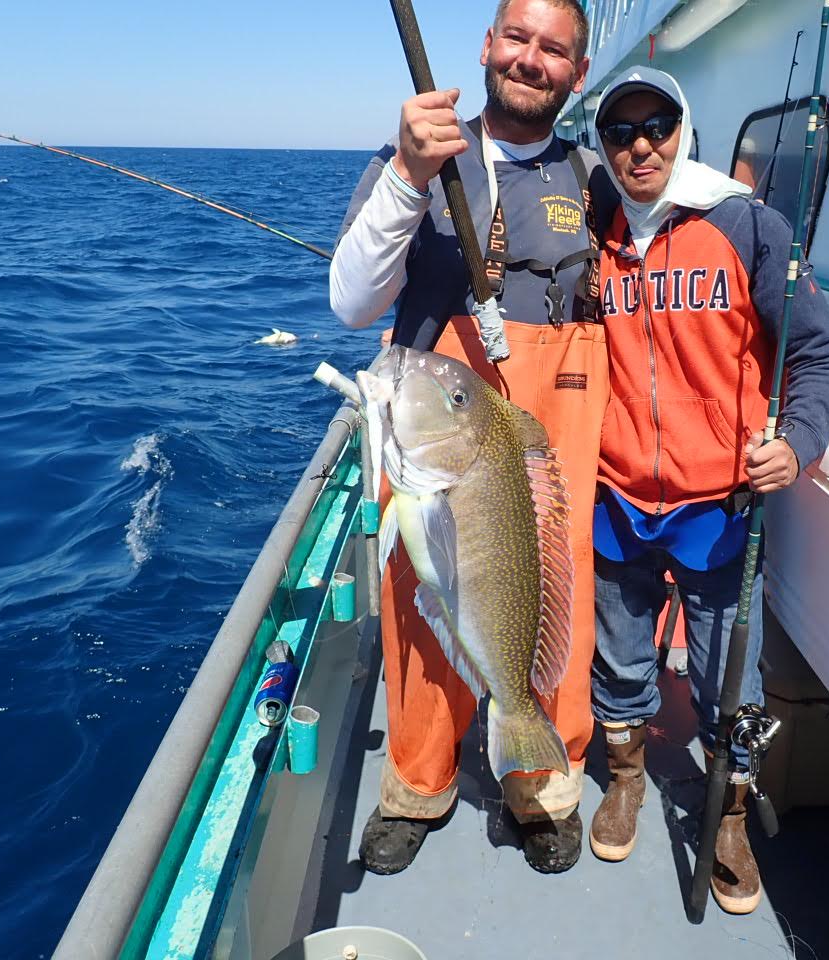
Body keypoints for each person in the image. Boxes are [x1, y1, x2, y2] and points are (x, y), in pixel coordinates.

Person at [329, 0, 614, 875]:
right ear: (488, 46)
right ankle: (418, 782)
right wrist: (413, 177)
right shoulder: (412, 156)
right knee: (421, 604)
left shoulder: (597, 180)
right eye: (518, 39)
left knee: (550, 585)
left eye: (555, 49)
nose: (532, 60)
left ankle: (544, 784)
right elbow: (351, 303)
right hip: (439, 426)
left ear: (576, 69)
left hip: (551, 429)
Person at [585, 67, 829, 914]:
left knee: (725, 684)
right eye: (621, 131)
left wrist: (798, 443)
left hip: (718, 511)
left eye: (657, 124)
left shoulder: (747, 225)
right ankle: (625, 779)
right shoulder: (596, 227)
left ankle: (726, 814)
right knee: (621, 662)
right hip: (618, 499)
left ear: (683, 128)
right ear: (603, 145)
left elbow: (818, 354)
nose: (641, 145)